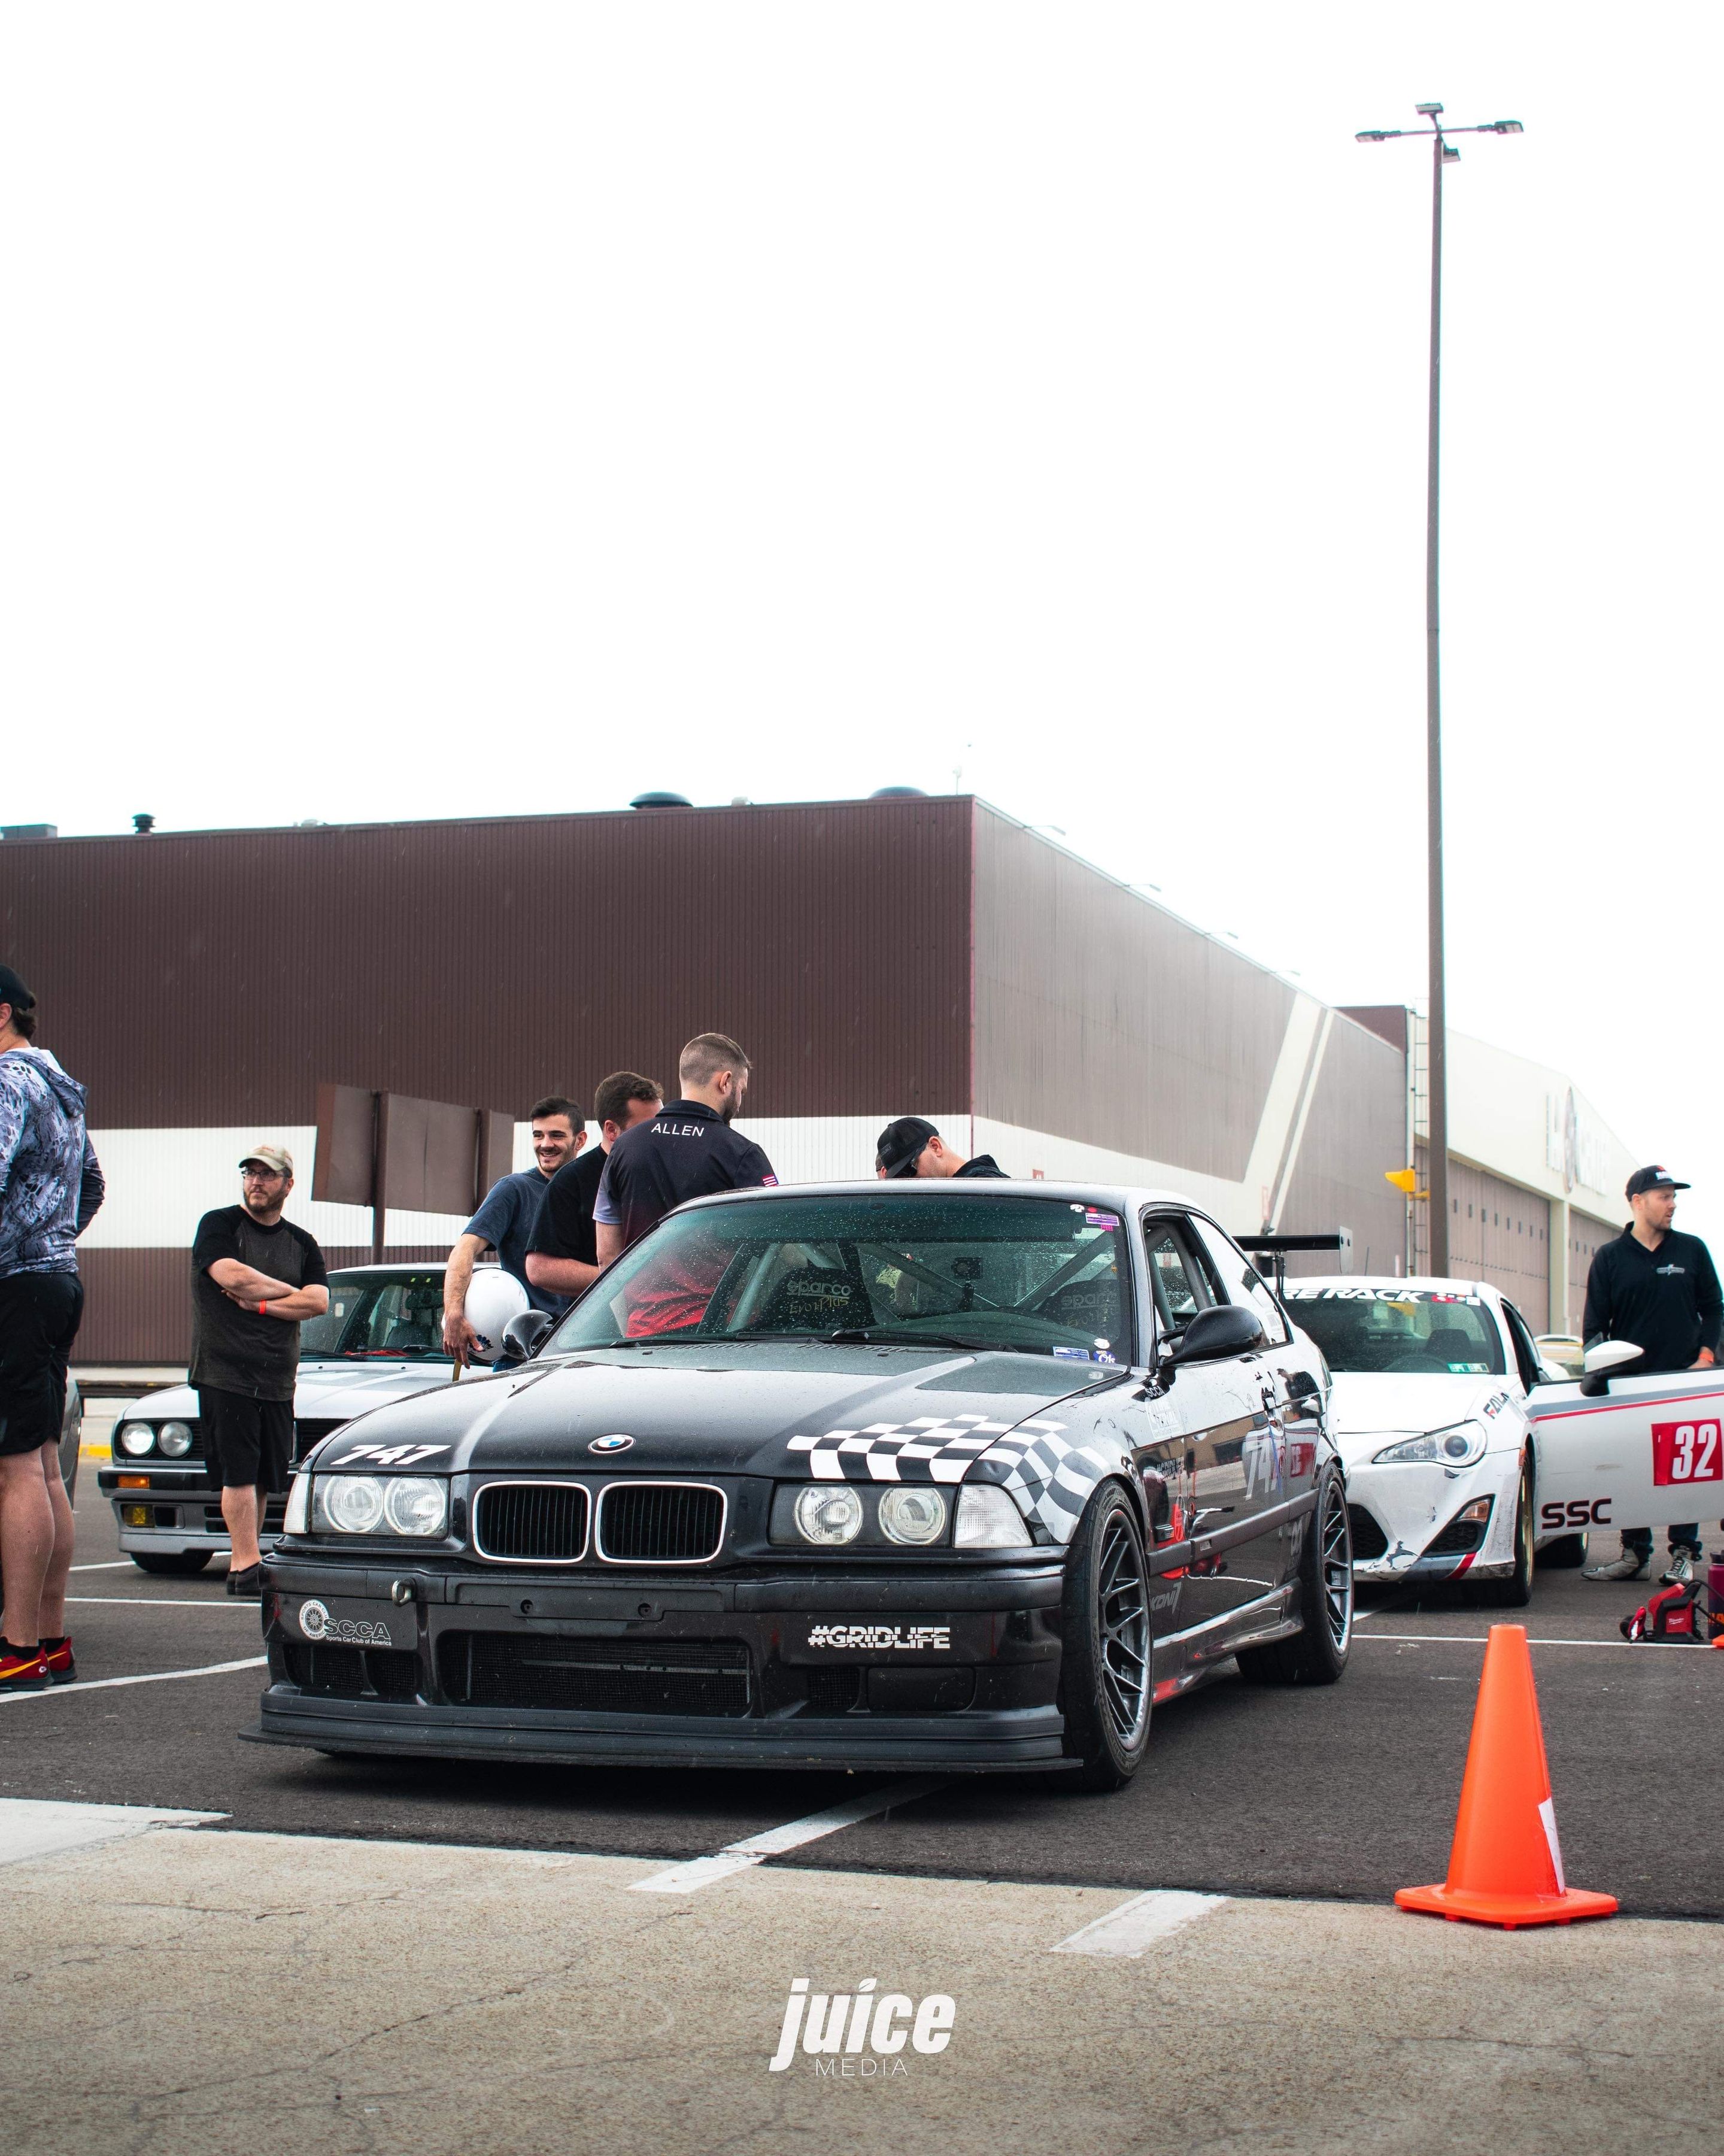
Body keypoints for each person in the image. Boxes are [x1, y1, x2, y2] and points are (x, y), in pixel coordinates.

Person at [0, 966, 104, 1694]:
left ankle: (15, 1646)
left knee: (14, 1469)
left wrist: (23, 1242)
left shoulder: (8, 1080)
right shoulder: (61, 1085)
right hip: (56, 1281)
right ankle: (50, 1639)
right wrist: (54, 1236)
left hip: (14, 1284)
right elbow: (92, 1182)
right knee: (39, 1463)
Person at [190, 1145, 328, 1599]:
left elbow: (320, 1302)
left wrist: (265, 1305)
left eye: (267, 1175)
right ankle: (246, 1564)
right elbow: (233, 1276)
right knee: (239, 1473)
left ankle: (246, 1559)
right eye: (250, 1173)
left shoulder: (301, 1243)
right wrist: (292, 1294)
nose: (256, 1181)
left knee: (266, 1475)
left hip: (275, 1377)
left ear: (288, 1184)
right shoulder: (220, 1225)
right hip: (224, 1372)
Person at [1583, 1165, 1724, 1583]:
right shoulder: (1610, 1258)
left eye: (1674, 1196)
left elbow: (1715, 1308)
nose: (1673, 1203)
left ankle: (1683, 1553)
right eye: (1665, 1196)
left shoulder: (1692, 1250)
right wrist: (1602, 1371)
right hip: (1632, 1388)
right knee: (1633, 1470)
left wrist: (1706, 1355)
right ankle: (1634, 1554)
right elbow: (1594, 1329)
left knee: (1683, 1469)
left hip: (1685, 1383)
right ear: (1638, 1201)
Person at [594, 1035, 777, 1263]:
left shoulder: (624, 1146)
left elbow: (606, 1256)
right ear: (726, 1082)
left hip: (639, 1298)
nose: (740, 1101)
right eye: (742, 1090)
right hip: (718, 1299)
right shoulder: (742, 1154)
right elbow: (777, 1242)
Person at [441, 1096, 584, 1362]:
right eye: (538, 1135)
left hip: (584, 1348)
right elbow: (465, 1249)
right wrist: (453, 1314)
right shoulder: (513, 1190)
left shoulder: (597, 1190)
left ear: (580, 1140)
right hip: (521, 1352)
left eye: (556, 1135)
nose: (545, 1144)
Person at [526, 1072, 663, 1304]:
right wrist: (627, 1281)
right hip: (598, 1330)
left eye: (661, 1126)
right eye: (647, 1128)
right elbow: (539, 1268)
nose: (658, 1136)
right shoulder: (571, 1181)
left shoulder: (663, 1171)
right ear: (611, 1130)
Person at [875, 1117, 1007, 1180]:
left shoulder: (981, 1186)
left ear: (935, 1147)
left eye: (909, 1170)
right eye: (899, 1178)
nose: (908, 1181)